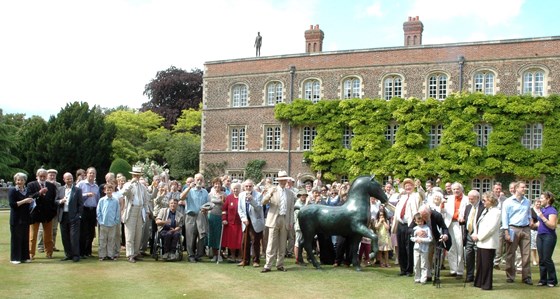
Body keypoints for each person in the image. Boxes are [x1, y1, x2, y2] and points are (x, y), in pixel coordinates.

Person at [261, 170, 295, 273]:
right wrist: (269, 194)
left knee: (282, 244)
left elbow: (291, 209)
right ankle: (268, 265)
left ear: (286, 180)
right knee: (271, 243)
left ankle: (280, 264)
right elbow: (263, 202)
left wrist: (291, 222)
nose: (282, 181)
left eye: (284, 179)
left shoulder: (290, 193)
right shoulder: (273, 189)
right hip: (274, 219)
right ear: (278, 180)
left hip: (285, 218)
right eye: (280, 180)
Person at [501, 181, 533, 284]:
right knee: (510, 254)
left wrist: (530, 220)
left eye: (525, 187)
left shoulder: (527, 202)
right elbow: (504, 218)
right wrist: (506, 232)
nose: (525, 189)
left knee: (526, 254)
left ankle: (526, 277)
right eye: (523, 187)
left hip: (526, 229)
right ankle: (510, 276)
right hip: (513, 229)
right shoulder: (508, 202)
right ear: (516, 188)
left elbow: (528, 214)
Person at [392, 178, 423, 277]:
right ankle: (403, 268)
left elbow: (423, 195)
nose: (407, 187)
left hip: (410, 225)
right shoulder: (403, 197)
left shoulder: (416, 195)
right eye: (406, 186)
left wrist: (419, 187)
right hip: (401, 224)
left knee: (409, 247)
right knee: (401, 247)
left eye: (409, 186)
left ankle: (409, 270)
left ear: (413, 187)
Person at [472, 192, 502, 290]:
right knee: (480, 264)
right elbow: (478, 223)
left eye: (485, 200)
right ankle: (479, 282)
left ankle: (486, 284)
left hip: (489, 242)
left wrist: (479, 237)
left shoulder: (496, 212)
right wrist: (475, 234)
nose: (483, 202)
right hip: (481, 242)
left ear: (491, 200)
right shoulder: (486, 210)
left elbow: (491, 228)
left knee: (487, 265)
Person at [121, 166, 150, 263]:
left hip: (140, 210)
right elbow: (123, 193)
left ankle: (136, 253)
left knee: (138, 234)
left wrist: (146, 211)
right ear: (132, 175)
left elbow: (146, 200)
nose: (137, 177)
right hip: (131, 210)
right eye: (135, 175)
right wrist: (131, 183)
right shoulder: (128, 184)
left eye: (138, 176)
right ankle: (130, 255)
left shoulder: (142, 187)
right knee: (130, 234)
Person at [27, 168, 58, 259]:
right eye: (41, 176)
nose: (43, 178)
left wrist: (53, 211)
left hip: (47, 214)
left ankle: (49, 253)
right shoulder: (31, 185)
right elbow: (29, 197)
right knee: (33, 236)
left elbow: (53, 200)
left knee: (48, 236)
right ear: (37, 176)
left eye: (44, 176)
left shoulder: (51, 186)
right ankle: (31, 254)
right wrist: (39, 193)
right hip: (35, 214)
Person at [181, 173, 210, 263]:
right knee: (190, 237)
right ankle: (191, 255)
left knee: (201, 235)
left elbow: (208, 204)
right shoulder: (189, 190)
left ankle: (199, 255)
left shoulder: (205, 192)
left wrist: (207, 209)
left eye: (201, 180)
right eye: (197, 179)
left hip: (201, 216)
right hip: (191, 216)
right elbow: (181, 197)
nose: (199, 181)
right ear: (194, 180)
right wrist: (189, 187)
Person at [442, 181, 468, 277]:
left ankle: (460, 271)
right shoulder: (449, 199)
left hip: (459, 224)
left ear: (461, 189)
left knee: (460, 246)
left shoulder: (466, 199)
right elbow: (445, 211)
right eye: (454, 189)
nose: (456, 191)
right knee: (451, 247)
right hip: (449, 224)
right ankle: (453, 270)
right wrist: (441, 207)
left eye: (457, 189)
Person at [56, 173, 83, 262]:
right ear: (64, 180)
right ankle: (68, 254)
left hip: (74, 217)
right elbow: (55, 201)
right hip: (63, 216)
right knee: (65, 237)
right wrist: (60, 201)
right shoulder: (60, 189)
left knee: (74, 237)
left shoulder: (77, 190)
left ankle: (76, 255)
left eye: (71, 178)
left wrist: (78, 215)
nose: (70, 180)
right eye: (67, 179)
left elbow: (80, 204)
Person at [238, 179, 264, 267]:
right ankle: (245, 260)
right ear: (244, 187)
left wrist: (252, 200)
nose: (248, 188)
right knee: (244, 241)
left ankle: (256, 260)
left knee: (255, 241)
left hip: (255, 221)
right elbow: (240, 209)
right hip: (246, 221)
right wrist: (244, 219)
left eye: (250, 186)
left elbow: (259, 208)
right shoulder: (241, 195)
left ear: (253, 186)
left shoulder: (259, 195)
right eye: (246, 186)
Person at [9, 172, 33, 264]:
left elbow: (30, 202)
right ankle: (15, 258)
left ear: (24, 181)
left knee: (24, 238)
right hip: (16, 218)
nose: (20, 182)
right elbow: (13, 204)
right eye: (18, 180)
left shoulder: (27, 190)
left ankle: (24, 257)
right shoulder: (12, 190)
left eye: (21, 180)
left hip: (25, 217)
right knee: (16, 238)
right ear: (15, 181)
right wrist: (24, 201)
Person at [534, 191, 558, 287]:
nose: (540, 200)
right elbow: (540, 224)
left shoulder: (552, 211)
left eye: (542, 198)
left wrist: (542, 217)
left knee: (547, 258)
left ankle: (552, 280)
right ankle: (543, 280)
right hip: (540, 236)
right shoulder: (543, 210)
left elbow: (552, 226)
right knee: (541, 259)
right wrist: (532, 225)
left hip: (549, 236)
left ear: (548, 199)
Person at [77, 167, 100, 258]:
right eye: (90, 173)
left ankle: (88, 252)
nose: (92, 175)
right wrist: (86, 195)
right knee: (83, 231)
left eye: (93, 173)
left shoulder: (96, 186)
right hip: (84, 209)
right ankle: (81, 252)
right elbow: (77, 196)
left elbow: (97, 200)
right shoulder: (81, 184)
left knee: (91, 232)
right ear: (86, 174)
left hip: (93, 210)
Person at [462, 190, 484, 283]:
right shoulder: (468, 207)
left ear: (478, 198)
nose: (470, 200)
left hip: (478, 236)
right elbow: (466, 220)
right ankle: (470, 275)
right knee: (468, 256)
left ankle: (480, 276)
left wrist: (479, 234)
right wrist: (461, 220)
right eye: (469, 199)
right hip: (468, 235)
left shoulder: (483, 207)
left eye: (472, 199)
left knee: (479, 257)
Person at [37, 169, 61, 254]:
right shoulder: (42, 184)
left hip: (54, 209)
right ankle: (40, 246)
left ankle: (52, 245)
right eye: (50, 175)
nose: (52, 176)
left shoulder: (58, 185)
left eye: (54, 175)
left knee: (54, 229)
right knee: (41, 230)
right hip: (44, 211)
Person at [222, 182, 243, 262]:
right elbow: (224, 209)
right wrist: (224, 219)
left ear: (240, 189)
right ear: (231, 189)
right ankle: (233, 256)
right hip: (230, 223)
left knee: (240, 241)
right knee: (231, 241)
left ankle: (240, 256)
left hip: (241, 223)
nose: (235, 190)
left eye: (237, 188)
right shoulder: (229, 198)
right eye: (234, 188)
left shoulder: (243, 197)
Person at [410, 213, 433, 284]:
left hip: (424, 248)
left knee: (424, 263)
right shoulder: (415, 229)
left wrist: (422, 240)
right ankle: (417, 278)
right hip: (416, 248)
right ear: (415, 221)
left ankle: (423, 278)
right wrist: (416, 239)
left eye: (421, 221)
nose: (420, 223)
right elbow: (411, 237)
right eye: (418, 222)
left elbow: (430, 239)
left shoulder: (427, 228)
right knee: (416, 263)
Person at [207, 177, 226, 262]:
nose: (217, 185)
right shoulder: (210, 194)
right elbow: (207, 205)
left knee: (219, 236)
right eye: (215, 184)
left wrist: (222, 201)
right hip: (211, 216)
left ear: (221, 185)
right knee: (212, 236)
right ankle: (214, 254)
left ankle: (219, 254)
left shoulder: (224, 194)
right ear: (213, 185)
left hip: (220, 216)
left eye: (218, 184)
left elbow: (225, 206)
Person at [294, 189, 308, 264]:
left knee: (302, 242)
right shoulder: (297, 204)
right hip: (299, 225)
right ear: (299, 196)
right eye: (302, 195)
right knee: (297, 242)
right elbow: (301, 213)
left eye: (305, 195)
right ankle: (297, 259)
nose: (304, 197)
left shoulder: (304, 203)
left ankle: (300, 258)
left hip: (304, 226)